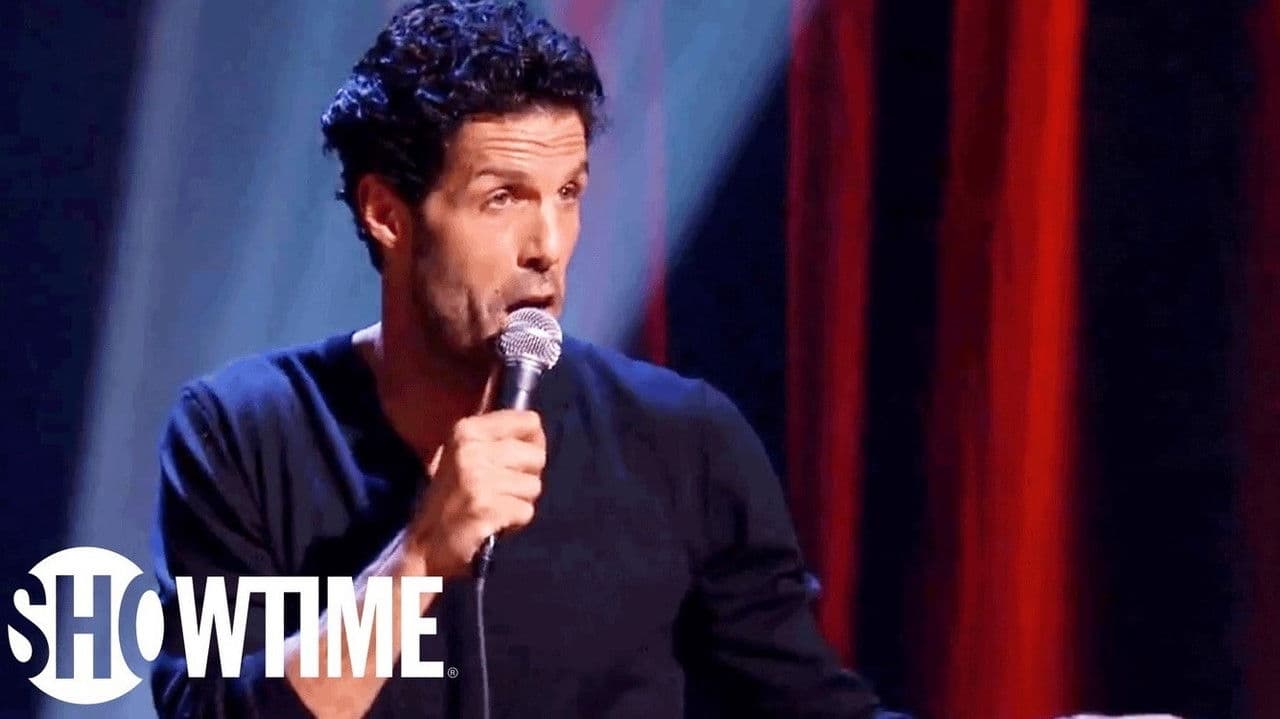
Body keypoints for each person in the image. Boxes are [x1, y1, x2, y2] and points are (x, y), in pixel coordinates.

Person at [148, 1, 902, 717]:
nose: (546, 245)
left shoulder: (681, 440)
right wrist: (418, 560)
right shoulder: (241, 432)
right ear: (387, 213)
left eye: (566, 193)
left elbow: (809, 705)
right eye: (503, 198)